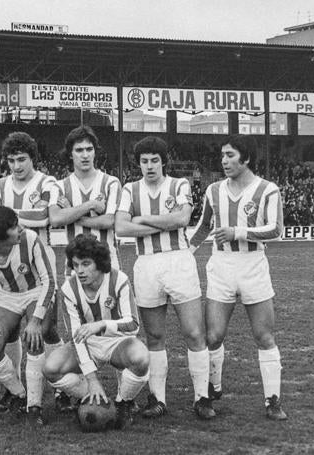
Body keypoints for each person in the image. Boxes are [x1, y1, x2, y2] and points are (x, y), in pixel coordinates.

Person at [115, 136, 214, 419]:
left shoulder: (179, 184)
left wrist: (141, 220)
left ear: (163, 161)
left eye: (154, 160)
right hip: (146, 265)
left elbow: (182, 220)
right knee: (155, 336)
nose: (149, 166)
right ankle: (158, 399)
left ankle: (202, 398)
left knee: (194, 332)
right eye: (144, 161)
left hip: (178, 262)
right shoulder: (129, 189)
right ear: (138, 164)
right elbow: (121, 227)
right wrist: (161, 222)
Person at [189, 134, 287, 420]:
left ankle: (273, 400)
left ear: (246, 159)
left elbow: (276, 228)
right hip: (221, 266)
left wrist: (238, 232)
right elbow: (204, 226)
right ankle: (211, 390)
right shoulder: (214, 190)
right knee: (214, 335)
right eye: (222, 155)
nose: (224, 161)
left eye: (231, 155)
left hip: (253, 265)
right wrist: (185, 254)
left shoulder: (268, 190)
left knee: (264, 335)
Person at [0, 131, 69, 412]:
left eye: (22, 159)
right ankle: (16, 389)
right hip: (7, 268)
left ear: (33, 158)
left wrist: (6, 215)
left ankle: (62, 385)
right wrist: (26, 215)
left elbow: (47, 216)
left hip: (40, 262)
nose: (16, 166)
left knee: (47, 329)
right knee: (7, 335)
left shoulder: (48, 182)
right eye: (11, 160)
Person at [43, 234, 149, 430]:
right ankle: (91, 398)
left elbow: (133, 324)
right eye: (75, 265)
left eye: (86, 264)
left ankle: (122, 403)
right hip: (87, 343)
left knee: (141, 357)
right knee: (51, 367)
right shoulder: (68, 288)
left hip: (118, 341)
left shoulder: (119, 280)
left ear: (99, 263)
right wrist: (92, 380)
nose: (80, 271)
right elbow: (77, 337)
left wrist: (101, 325)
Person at [0, 206, 56, 425]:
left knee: (35, 338)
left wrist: (35, 321)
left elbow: (49, 281)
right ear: (0, 239)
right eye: (14, 227)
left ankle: (35, 407)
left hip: (37, 290)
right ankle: (20, 394)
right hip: (7, 296)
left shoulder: (31, 238)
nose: (21, 228)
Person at [49, 125, 122, 270]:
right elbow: (56, 219)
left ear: (95, 152)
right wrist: (91, 205)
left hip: (107, 264)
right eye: (79, 150)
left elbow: (109, 221)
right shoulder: (59, 186)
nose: (85, 155)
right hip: (75, 266)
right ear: (70, 154)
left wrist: (72, 214)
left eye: (89, 149)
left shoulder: (111, 183)